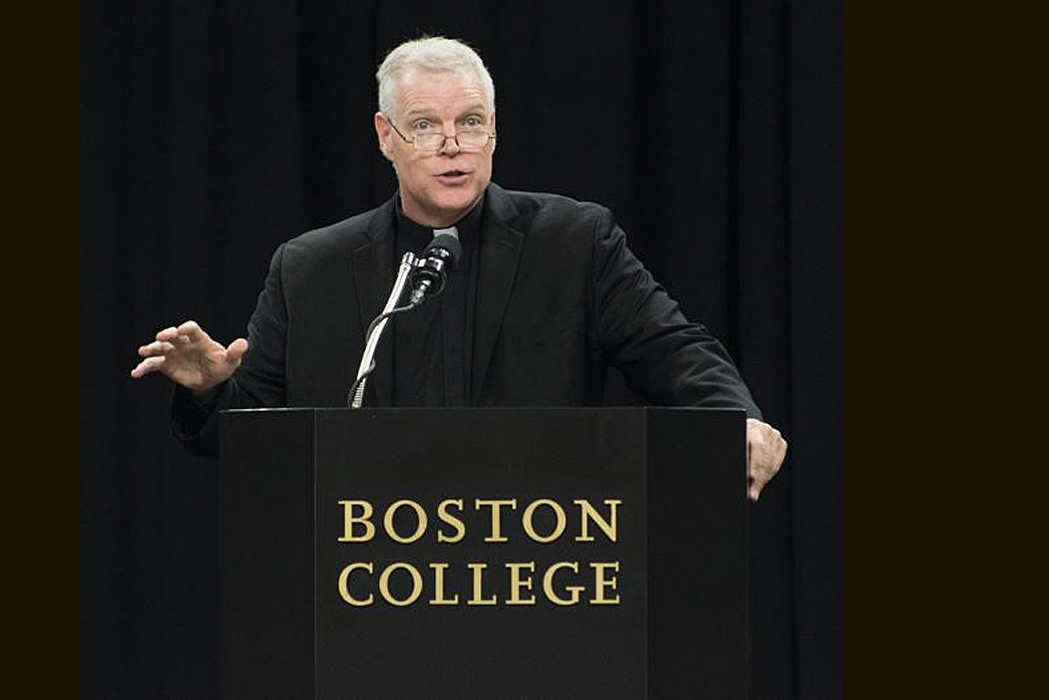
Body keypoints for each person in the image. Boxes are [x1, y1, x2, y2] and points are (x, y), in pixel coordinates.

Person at [131, 36, 786, 501]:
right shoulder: (311, 267)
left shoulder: (572, 240)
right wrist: (211, 391)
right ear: (385, 136)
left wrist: (735, 419)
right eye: (425, 125)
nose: (452, 144)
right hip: (364, 579)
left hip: (538, 559)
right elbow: (252, 440)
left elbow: (671, 349)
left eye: (469, 122)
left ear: (494, 131)